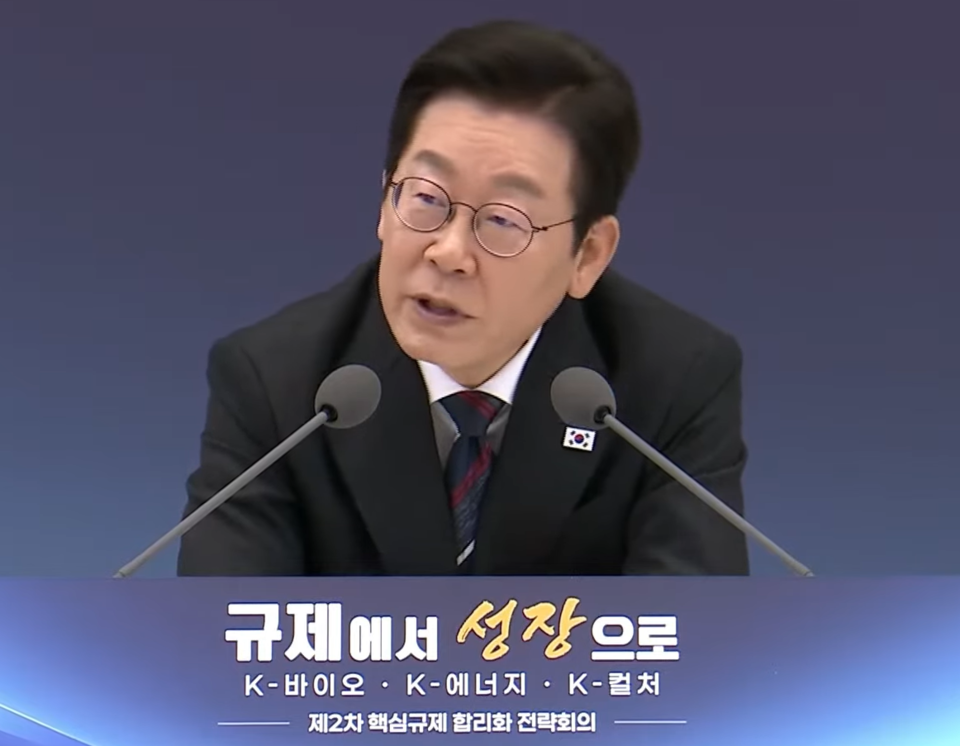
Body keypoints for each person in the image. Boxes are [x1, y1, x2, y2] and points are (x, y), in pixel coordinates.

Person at [176, 19, 749, 577]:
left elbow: (694, 628)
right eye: (426, 198)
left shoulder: (673, 381)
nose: (448, 252)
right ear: (384, 203)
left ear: (588, 255)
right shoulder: (276, 383)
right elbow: (226, 626)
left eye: (504, 220)